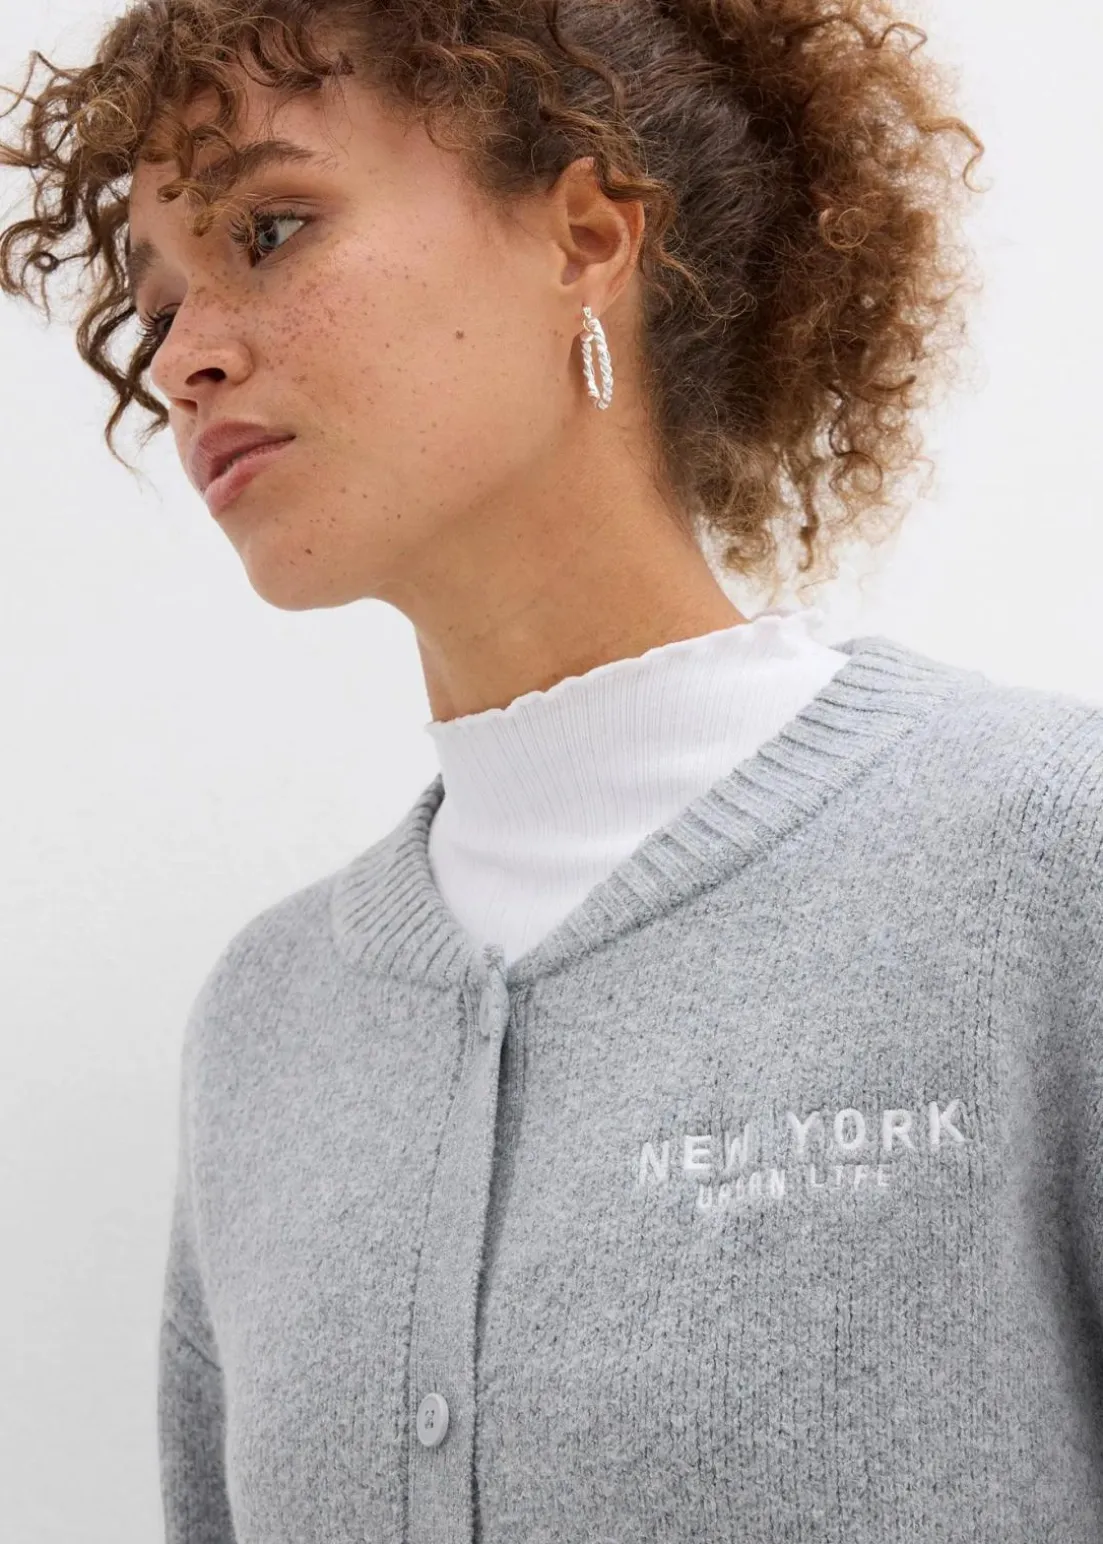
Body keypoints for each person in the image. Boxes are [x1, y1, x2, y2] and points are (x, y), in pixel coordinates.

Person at [3, 1, 1102, 1540]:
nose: (186, 358)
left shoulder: (1044, 861)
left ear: (584, 237)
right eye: (160, 304)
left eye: (270, 231)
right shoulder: (265, 1025)